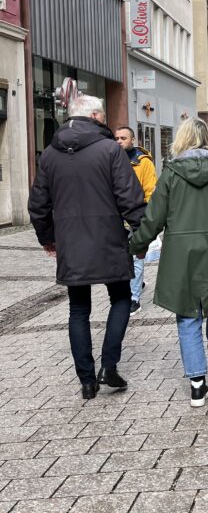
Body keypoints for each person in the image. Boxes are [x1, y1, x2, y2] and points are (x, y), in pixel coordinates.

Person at [128, 118, 208, 408]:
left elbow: (154, 217)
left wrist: (137, 244)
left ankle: (197, 384)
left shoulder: (171, 174)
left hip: (181, 253)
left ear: (181, 140)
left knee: (187, 314)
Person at [28, 95, 147, 399]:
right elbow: (130, 198)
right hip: (108, 238)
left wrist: (48, 239)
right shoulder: (110, 150)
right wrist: (141, 234)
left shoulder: (50, 155)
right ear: (95, 117)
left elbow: (38, 204)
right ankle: (109, 365)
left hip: (71, 242)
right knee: (121, 297)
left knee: (78, 309)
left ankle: (86, 380)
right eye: (103, 115)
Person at [114, 126, 158, 314]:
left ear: (132, 140)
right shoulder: (111, 159)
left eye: (123, 138)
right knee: (121, 258)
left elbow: (150, 191)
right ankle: (136, 284)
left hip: (135, 217)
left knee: (135, 258)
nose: (119, 141)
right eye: (116, 138)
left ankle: (134, 298)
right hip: (115, 218)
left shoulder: (143, 162)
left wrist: (145, 216)